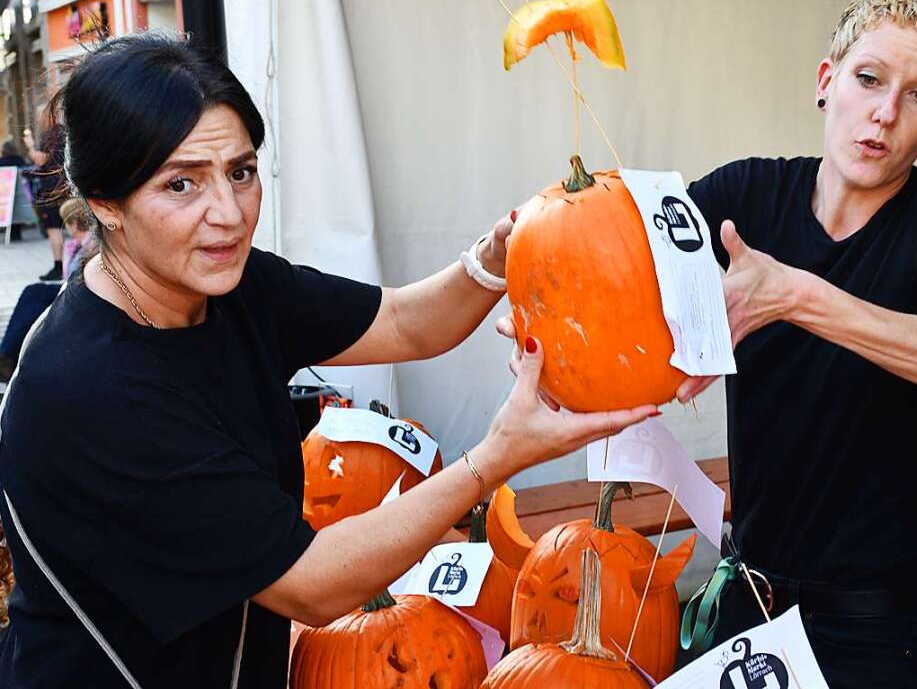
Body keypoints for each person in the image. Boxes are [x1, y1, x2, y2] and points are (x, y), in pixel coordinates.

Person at [0, 34, 659, 688]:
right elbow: (311, 583)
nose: (228, 213)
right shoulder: (92, 391)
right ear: (107, 203)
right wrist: (493, 458)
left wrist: (491, 264)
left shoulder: (223, 284)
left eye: (241, 171)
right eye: (181, 184)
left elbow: (401, 322)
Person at [671, 0, 917, 687]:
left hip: (876, 623)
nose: (882, 114)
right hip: (747, 600)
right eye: (867, 78)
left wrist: (793, 294)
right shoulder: (743, 196)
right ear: (826, 80)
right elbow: (618, 267)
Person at [0, 199, 95, 382]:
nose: (66, 228)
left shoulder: (91, 245)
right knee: (33, 293)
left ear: (74, 223)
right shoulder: (80, 244)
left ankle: (8, 355)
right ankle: (7, 353)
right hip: (72, 288)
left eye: (66, 223)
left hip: (78, 293)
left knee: (35, 297)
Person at [24, 121, 68, 281]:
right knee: (70, 226)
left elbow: (40, 160)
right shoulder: (63, 132)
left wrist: (30, 146)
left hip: (51, 190)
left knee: (54, 228)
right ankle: (69, 265)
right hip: (64, 187)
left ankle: (59, 267)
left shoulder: (50, 135)